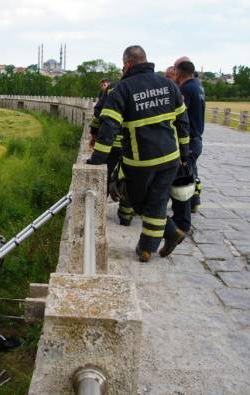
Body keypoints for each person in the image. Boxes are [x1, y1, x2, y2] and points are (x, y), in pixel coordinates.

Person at [87, 45, 190, 262]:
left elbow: (109, 128)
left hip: (140, 161)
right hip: (170, 158)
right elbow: (183, 122)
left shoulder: (122, 89)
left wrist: (97, 160)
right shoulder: (169, 84)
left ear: (127, 64)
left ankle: (168, 234)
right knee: (158, 200)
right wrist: (185, 153)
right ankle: (149, 246)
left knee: (137, 200)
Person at [161, 59, 206, 256]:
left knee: (181, 183)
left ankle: (182, 224)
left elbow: (181, 120)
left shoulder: (186, 90)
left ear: (178, 73)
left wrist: (182, 150)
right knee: (188, 177)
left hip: (188, 142)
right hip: (195, 140)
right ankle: (192, 205)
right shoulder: (198, 86)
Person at [90, 79, 134, 226]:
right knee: (129, 178)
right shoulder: (143, 87)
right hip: (132, 144)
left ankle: (96, 214)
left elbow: (98, 114)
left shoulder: (114, 88)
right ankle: (125, 217)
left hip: (112, 143)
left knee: (106, 177)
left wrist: (93, 134)